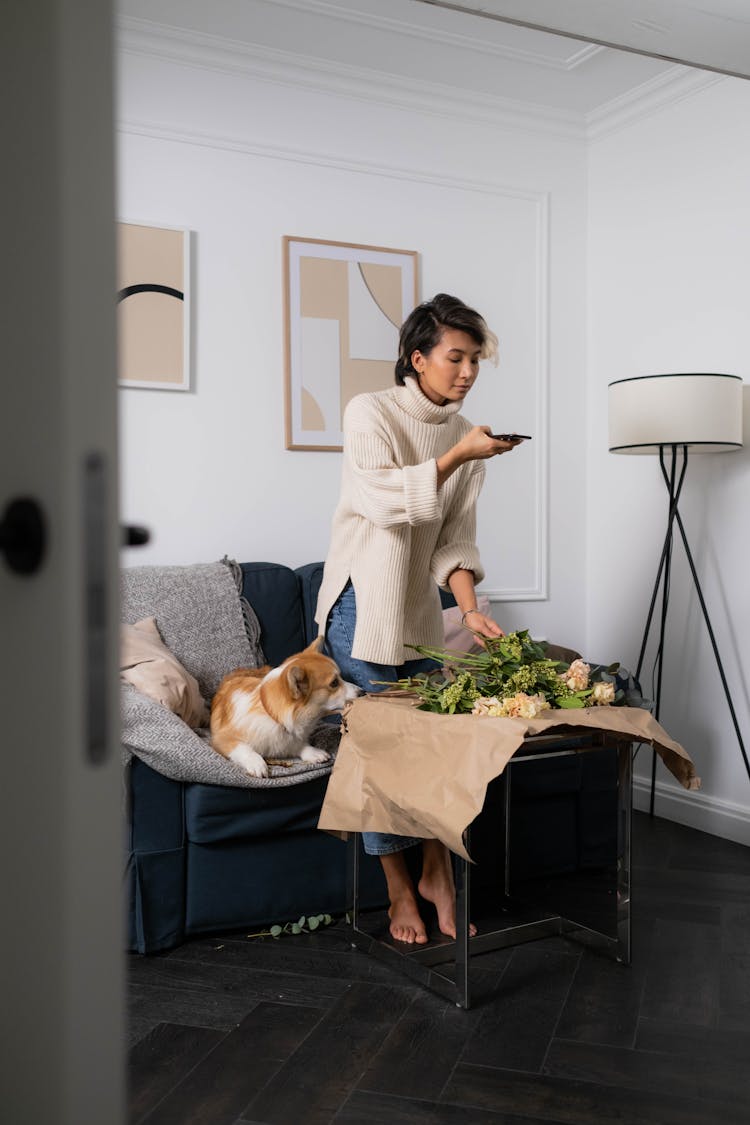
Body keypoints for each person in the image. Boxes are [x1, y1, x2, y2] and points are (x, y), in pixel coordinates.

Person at [316, 292, 522, 945]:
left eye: (474, 360)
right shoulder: (369, 412)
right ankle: (398, 890)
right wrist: (460, 455)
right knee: (385, 751)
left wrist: (467, 609)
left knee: (446, 736)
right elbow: (382, 501)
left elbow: (453, 541)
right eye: (455, 357)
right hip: (361, 606)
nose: (466, 371)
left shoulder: (467, 436)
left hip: (415, 609)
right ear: (418, 357)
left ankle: (437, 868)